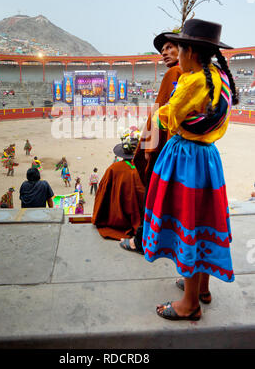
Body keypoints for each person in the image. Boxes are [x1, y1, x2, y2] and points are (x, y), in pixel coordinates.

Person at [142, 19, 238, 321]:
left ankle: (189, 304)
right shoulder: (218, 75)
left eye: (179, 49)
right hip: (208, 158)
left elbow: (171, 117)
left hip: (185, 159)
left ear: (190, 53)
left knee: (188, 224)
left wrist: (160, 112)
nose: (176, 56)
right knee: (203, 220)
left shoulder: (191, 80)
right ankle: (202, 288)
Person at [120, 32, 182, 254]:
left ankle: (140, 240)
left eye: (169, 47)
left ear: (182, 49)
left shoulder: (174, 73)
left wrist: (149, 148)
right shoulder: (192, 74)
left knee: (152, 195)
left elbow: (159, 115)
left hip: (163, 148)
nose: (164, 53)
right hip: (181, 148)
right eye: (162, 50)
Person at [91, 128, 145, 240]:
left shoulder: (113, 169)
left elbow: (102, 196)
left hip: (119, 222)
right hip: (146, 223)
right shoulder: (148, 168)